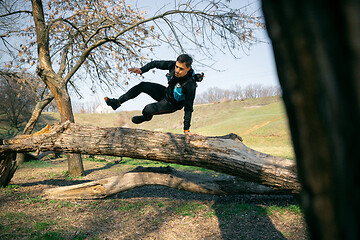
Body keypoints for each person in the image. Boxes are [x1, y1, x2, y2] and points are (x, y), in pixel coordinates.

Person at [104, 54, 199, 136]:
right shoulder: (172, 65)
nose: (177, 70)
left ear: (188, 69)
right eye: (177, 67)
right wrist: (142, 70)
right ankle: (117, 102)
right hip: (165, 93)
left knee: (147, 110)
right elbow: (155, 64)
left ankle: (146, 117)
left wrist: (186, 130)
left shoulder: (190, 85)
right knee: (143, 85)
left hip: (172, 104)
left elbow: (188, 108)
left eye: (181, 69)